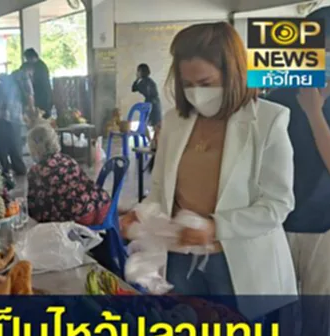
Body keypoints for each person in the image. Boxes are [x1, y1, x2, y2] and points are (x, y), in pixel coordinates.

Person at [119, 22, 297, 312]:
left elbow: (277, 204)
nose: (196, 93)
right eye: (187, 84)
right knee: (186, 330)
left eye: (205, 83)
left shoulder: (267, 121)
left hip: (238, 262)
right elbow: (161, 191)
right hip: (181, 256)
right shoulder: (175, 122)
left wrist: (216, 227)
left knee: (238, 335)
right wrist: (140, 214)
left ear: (233, 73)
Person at [265, 5, 330, 336]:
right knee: (277, 311)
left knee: (322, 313)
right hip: (278, 218)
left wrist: (314, 111)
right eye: (323, 47)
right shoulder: (281, 88)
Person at [27, 123, 111, 225]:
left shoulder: (36, 171)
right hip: (102, 205)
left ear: (34, 148)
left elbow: (33, 208)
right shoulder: (67, 159)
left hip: (80, 218)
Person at [0, 72, 28, 177]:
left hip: (2, 119)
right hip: (16, 120)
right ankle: (19, 168)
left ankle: (5, 168)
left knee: (2, 147)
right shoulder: (17, 87)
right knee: (15, 145)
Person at [131, 63, 163, 145]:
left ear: (141, 71)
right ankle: (152, 141)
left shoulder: (146, 82)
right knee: (148, 124)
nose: (136, 73)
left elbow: (136, 89)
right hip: (152, 103)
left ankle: (154, 142)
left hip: (152, 104)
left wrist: (138, 79)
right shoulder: (146, 81)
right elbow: (134, 88)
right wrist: (137, 79)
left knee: (154, 125)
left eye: (138, 71)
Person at [24, 48, 53, 119]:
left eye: (28, 58)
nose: (27, 60)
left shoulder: (41, 67)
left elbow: (38, 81)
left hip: (43, 97)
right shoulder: (28, 65)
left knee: (43, 118)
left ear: (33, 57)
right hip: (36, 97)